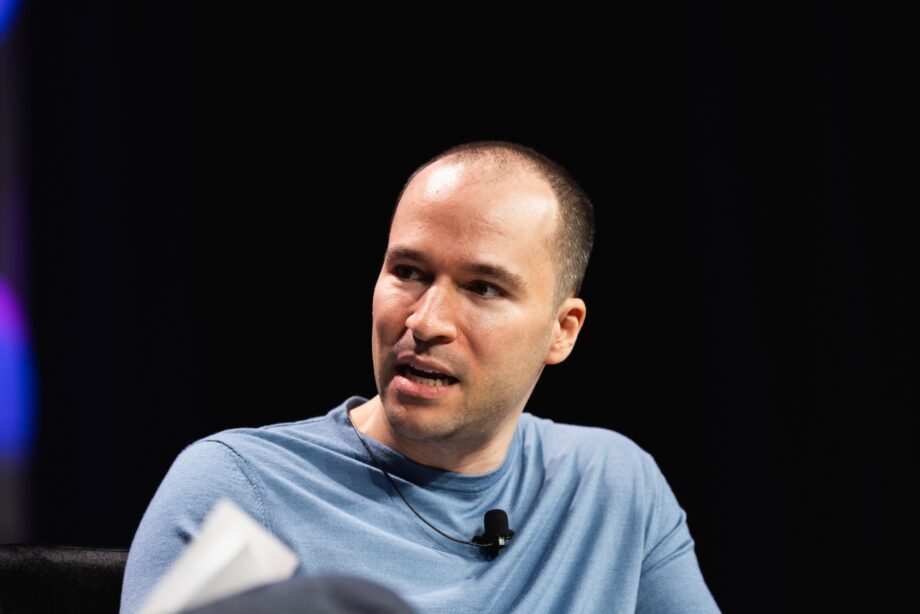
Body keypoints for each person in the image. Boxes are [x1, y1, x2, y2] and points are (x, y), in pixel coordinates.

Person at [121, 141, 720, 613]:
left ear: (562, 331)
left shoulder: (611, 485)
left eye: (483, 288)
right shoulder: (243, 490)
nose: (426, 321)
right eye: (408, 271)